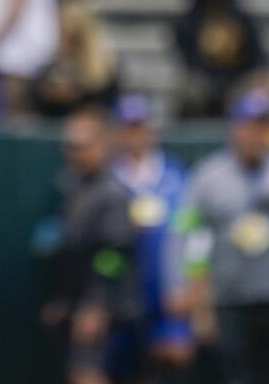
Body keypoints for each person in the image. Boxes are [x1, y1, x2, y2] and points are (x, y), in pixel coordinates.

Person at [168, 90, 269, 384]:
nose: (255, 135)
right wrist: (193, 291)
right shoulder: (208, 177)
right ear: (234, 128)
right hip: (229, 299)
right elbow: (187, 236)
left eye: (263, 126)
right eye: (249, 125)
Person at [38, 110, 138, 384]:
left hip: (104, 307)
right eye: (71, 147)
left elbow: (115, 253)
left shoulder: (112, 193)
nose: (76, 154)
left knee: (88, 372)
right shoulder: (70, 187)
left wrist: (96, 305)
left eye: (83, 147)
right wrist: (60, 298)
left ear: (103, 147)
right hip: (74, 301)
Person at [109, 95, 193, 378]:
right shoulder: (109, 177)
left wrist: (185, 284)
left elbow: (191, 235)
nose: (135, 134)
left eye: (140, 126)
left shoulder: (175, 175)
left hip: (167, 294)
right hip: (119, 295)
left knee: (169, 363)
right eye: (128, 127)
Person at [173, 0, 268, 119]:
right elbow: (186, 66)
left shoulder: (242, 17)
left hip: (239, 93)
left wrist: (247, 86)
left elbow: (257, 61)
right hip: (201, 100)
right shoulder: (185, 20)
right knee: (193, 93)